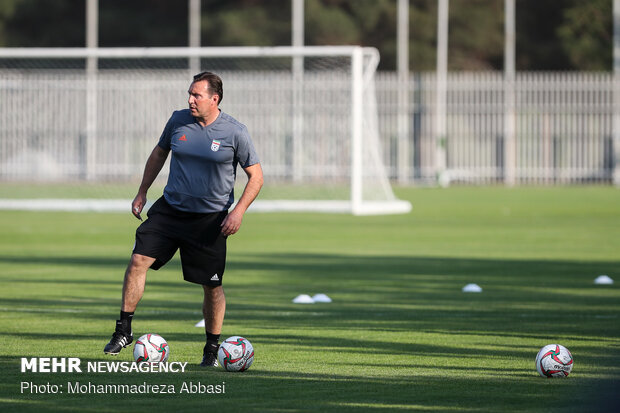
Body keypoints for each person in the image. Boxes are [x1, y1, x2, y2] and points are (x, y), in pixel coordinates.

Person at [103, 71, 263, 367]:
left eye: (196, 95)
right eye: (189, 94)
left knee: (211, 286)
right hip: (170, 211)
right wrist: (142, 192)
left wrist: (238, 211)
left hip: (209, 220)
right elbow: (159, 154)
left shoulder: (235, 132)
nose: (190, 100)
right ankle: (123, 330)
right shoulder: (178, 120)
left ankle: (212, 350)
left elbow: (256, 177)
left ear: (214, 99)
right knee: (138, 260)